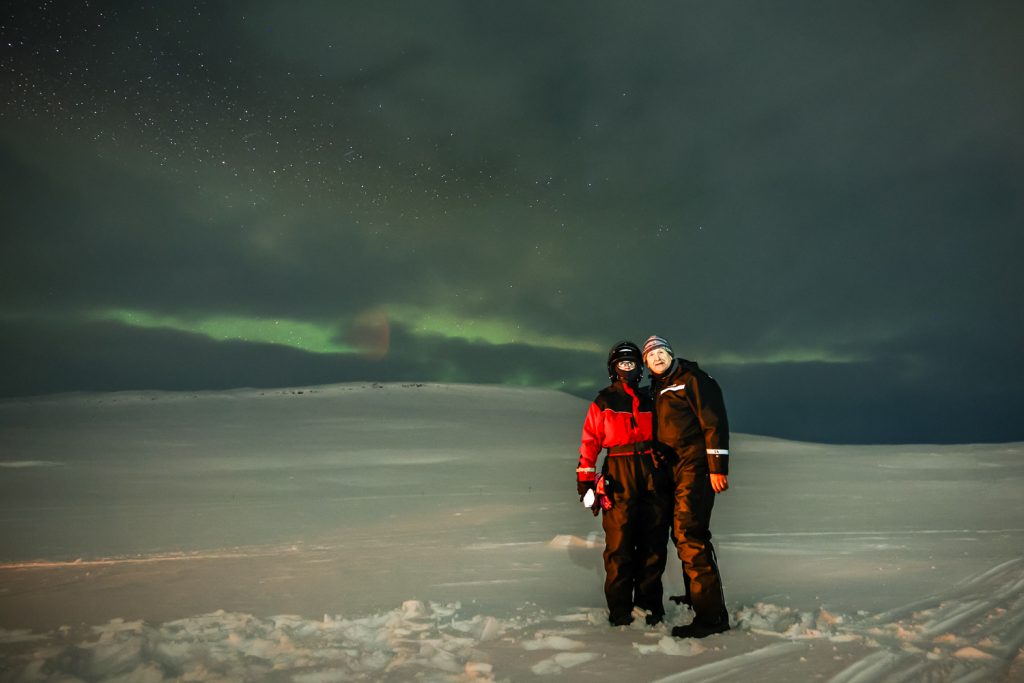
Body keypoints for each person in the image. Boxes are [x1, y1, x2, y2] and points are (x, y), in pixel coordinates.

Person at [576, 340, 672, 626]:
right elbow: (590, 442)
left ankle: (649, 606)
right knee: (619, 545)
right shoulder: (604, 402)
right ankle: (620, 611)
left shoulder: (652, 399)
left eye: (632, 363)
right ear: (613, 368)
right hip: (619, 474)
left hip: (653, 472)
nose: (627, 368)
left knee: (653, 542)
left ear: (640, 368)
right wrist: (586, 481)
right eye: (623, 363)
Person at [643, 334, 731, 638]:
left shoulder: (692, 380)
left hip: (696, 466)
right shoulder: (658, 388)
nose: (656, 358)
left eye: (660, 352)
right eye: (650, 356)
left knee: (689, 533)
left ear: (671, 354)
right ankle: (697, 596)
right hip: (672, 469)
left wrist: (717, 467)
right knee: (681, 533)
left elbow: (714, 421)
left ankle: (712, 617)